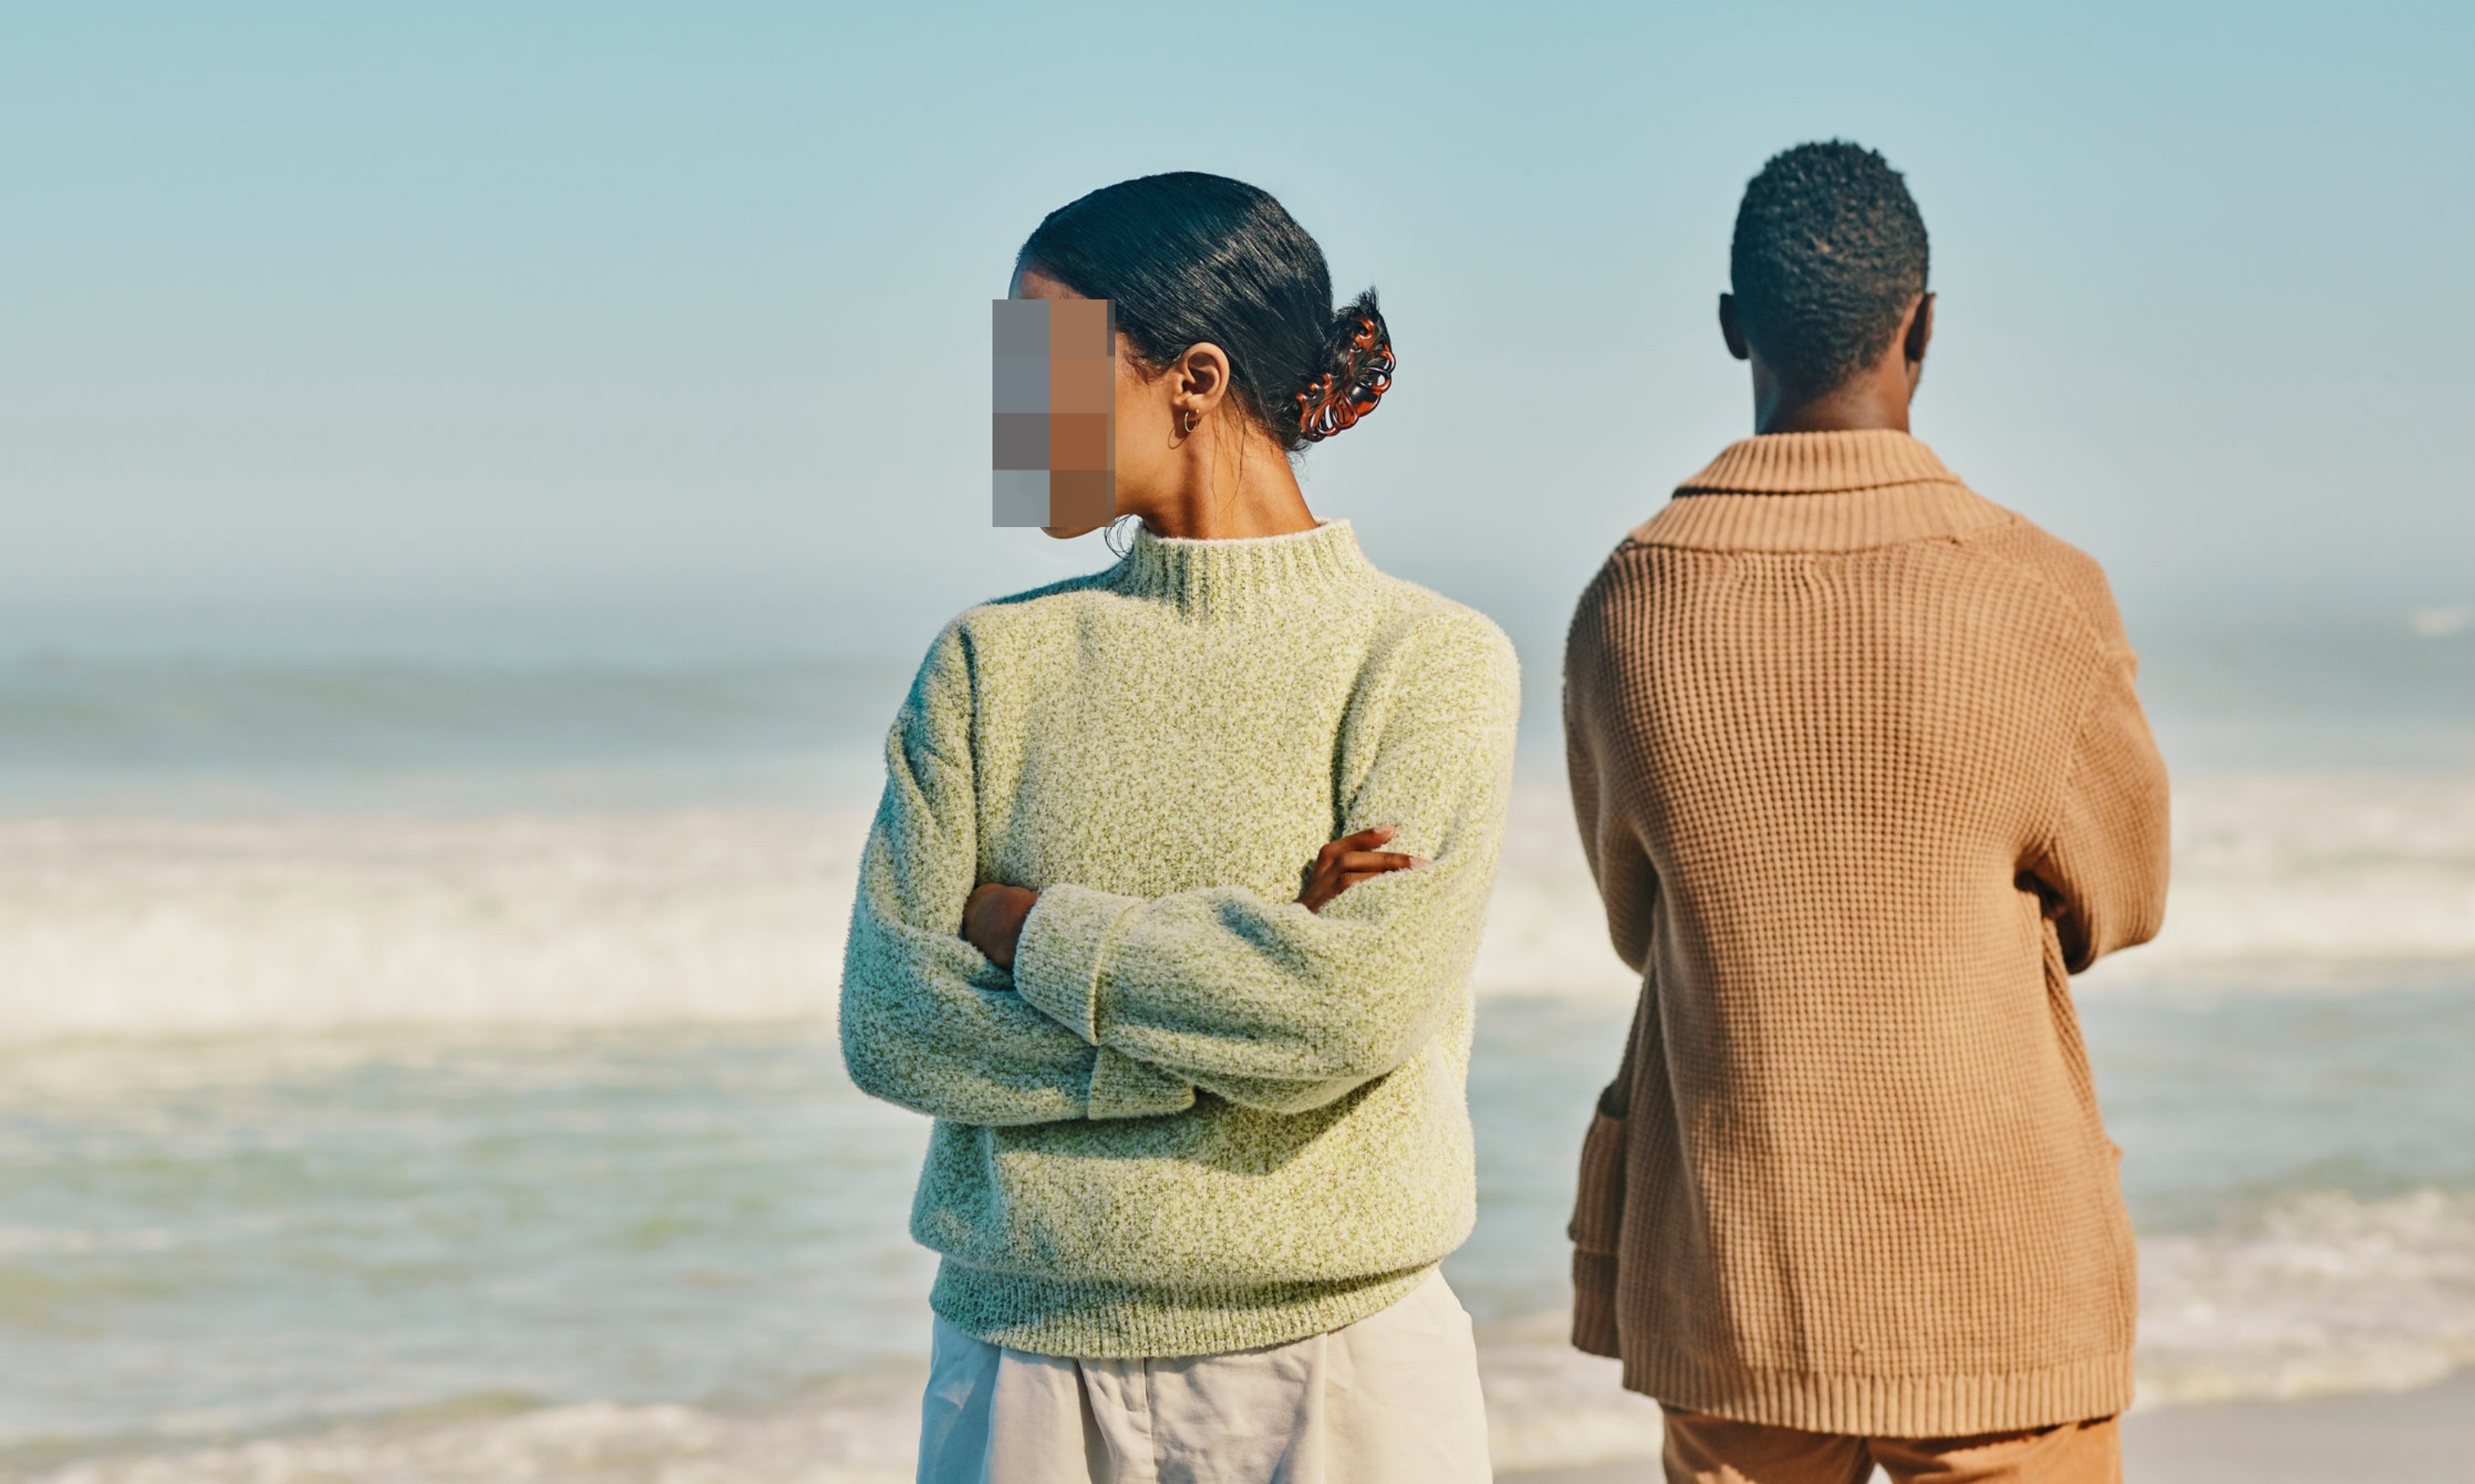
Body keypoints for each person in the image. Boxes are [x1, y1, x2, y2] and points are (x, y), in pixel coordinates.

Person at [840, 172, 1518, 1484]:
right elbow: (891, 1021)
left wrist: (1030, 926)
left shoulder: (1427, 662)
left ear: (1191, 380)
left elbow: (1350, 1011)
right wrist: (1229, 1023)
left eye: (1039, 365)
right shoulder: (989, 665)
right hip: (1021, 1361)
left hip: (1343, 1366)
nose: (1007, 411)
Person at [1561, 141, 2171, 1484]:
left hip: (1735, 1269)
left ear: (1733, 329)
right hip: (1996, 1275)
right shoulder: (2041, 592)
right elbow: (2122, 899)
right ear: (1926, 322)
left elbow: (1633, 917)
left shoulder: (1629, 601)